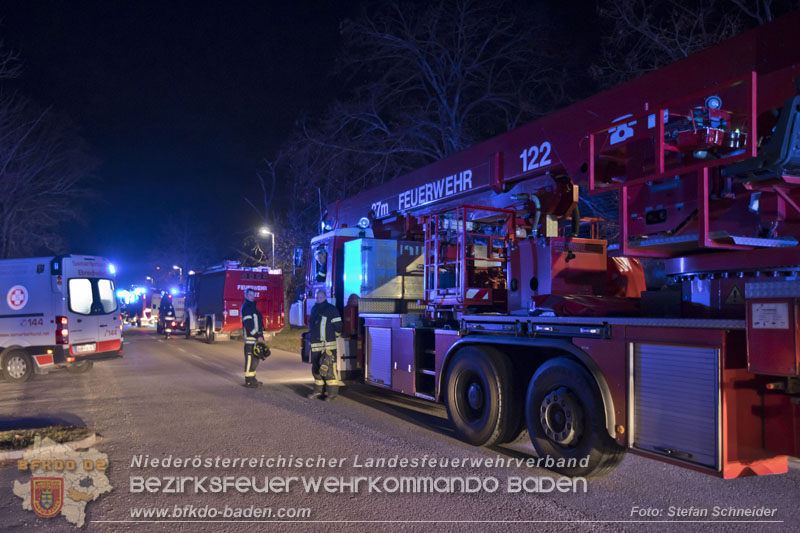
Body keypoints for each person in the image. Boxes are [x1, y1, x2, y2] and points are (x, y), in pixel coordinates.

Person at [307, 288, 343, 400]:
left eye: (320, 297)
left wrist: (333, 336)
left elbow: (339, 327)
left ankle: (332, 394)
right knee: (316, 370)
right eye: (317, 297)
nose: (318, 299)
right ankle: (318, 391)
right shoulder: (314, 309)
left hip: (327, 346)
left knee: (329, 370)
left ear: (325, 297)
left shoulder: (332, 310)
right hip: (316, 345)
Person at [241, 288, 265, 388]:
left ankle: (253, 378)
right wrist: (257, 335)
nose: (252, 297)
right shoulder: (246, 307)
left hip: (256, 339)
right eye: (250, 295)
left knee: (256, 359)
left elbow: (258, 323)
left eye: (253, 295)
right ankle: (248, 380)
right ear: (246, 296)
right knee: (250, 360)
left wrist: (261, 334)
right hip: (250, 339)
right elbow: (248, 324)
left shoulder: (253, 307)